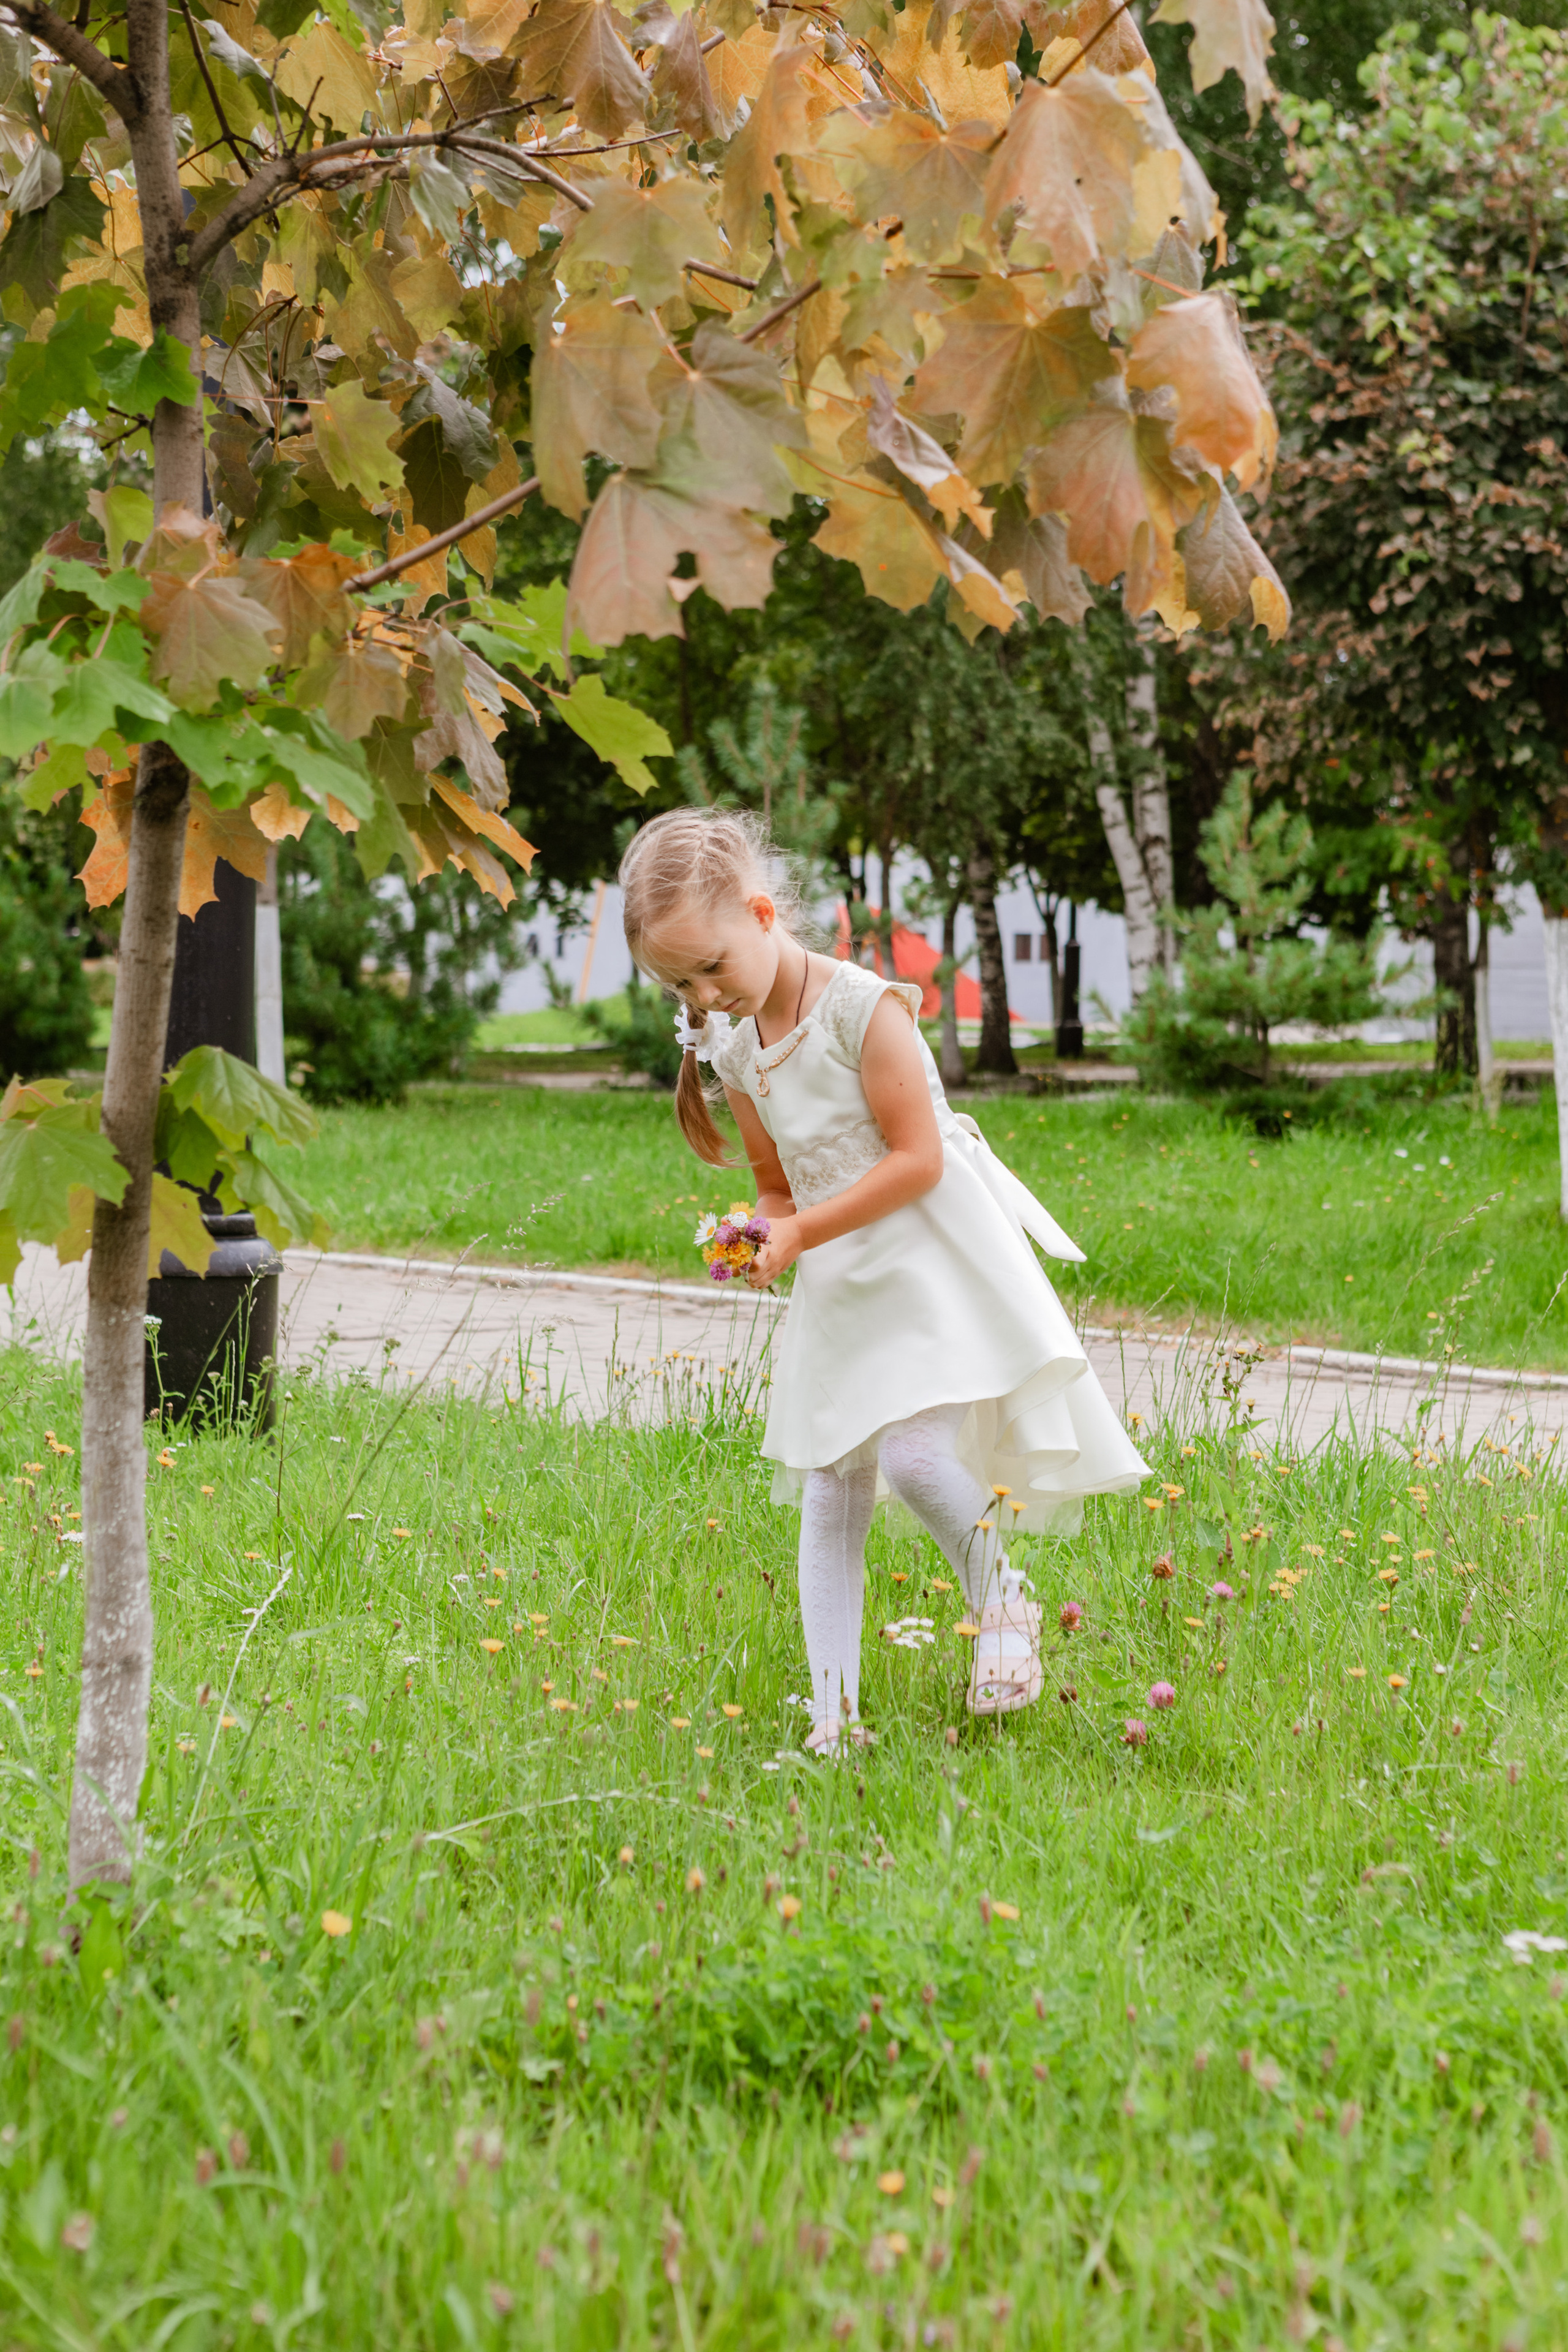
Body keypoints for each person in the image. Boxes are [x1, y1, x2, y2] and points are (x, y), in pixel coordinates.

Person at [619, 807, 1147, 1754]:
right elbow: (777, 1184)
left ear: (763, 913)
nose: (704, 995)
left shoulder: (863, 1008)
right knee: (832, 1482)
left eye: (713, 967)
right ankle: (834, 1719)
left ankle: (1004, 1604)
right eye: (680, 983)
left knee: (910, 1456)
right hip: (841, 1270)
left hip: (930, 1254)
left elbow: (917, 1160)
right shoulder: (732, 1046)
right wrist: (762, 1237)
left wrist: (804, 1230)